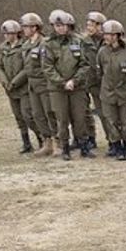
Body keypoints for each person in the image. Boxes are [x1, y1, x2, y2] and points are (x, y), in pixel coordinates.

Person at [42, 9, 92, 160]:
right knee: (62, 119)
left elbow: (85, 64)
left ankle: (83, 146)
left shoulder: (78, 41)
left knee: (80, 117)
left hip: (77, 87)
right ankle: (65, 149)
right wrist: (62, 82)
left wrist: (74, 81)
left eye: (63, 25)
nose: (60, 28)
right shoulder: (48, 44)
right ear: (53, 26)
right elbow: (47, 67)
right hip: (57, 89)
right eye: (57, 26)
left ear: (68, 25)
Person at [20, 13, 58, 158]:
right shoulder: (26, 45)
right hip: (32, 85)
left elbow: (47, 64)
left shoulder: (44, 43)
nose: (24, 29)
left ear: (35, 27)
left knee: (50, 113)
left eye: (26, 27)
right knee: (37, 115)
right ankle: (46, 142)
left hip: (44, 83)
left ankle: (57, 142)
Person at [96, 19, 126, 161]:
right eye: (106, 35)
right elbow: (100, 72)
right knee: (111, 122)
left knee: (125, 122)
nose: (109, 38)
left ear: (119, 36)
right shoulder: (102, 52)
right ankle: (117, 148)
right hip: (107, 92)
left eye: (113, 35)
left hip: (123, 92)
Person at [0, 20, 33, 153]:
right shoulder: (3, 48)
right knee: (18, 116)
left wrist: (15, 82)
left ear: (17, 33)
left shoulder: (24, 46)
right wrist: (5, 81)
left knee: (27, 114)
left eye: (9, 33)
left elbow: (27, 68)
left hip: (23, 87)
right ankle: (26, 143)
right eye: (5, 34)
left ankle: (42, 139)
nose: (6, 36)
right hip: (10, 89)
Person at [82, 11, 111, 154]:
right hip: (90, 81)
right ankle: (90, 138)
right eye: (88, 25)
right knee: (87, 112)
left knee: (106, 113)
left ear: (100, 26)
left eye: (92, 25)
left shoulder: (108, 40)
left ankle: (113, 140)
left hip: (106, 82)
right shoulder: (84, 42)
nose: (89, 28)